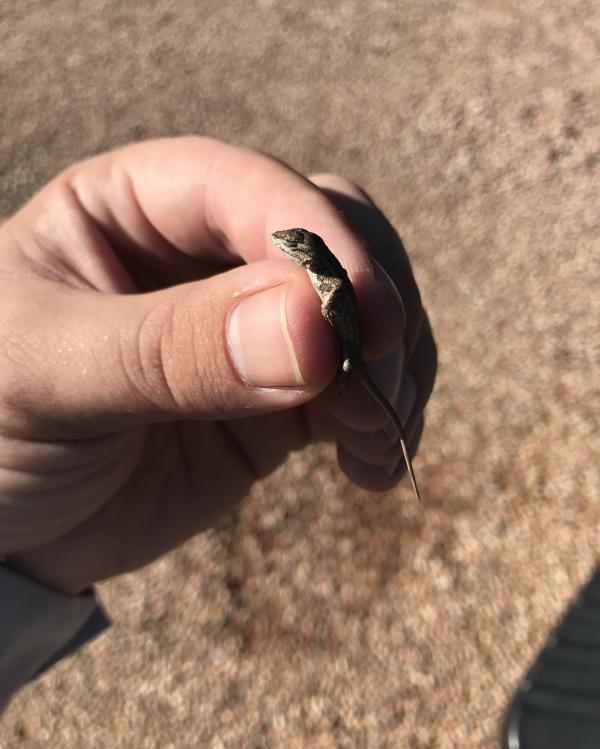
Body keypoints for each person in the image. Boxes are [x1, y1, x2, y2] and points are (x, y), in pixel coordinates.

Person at [0, 137, 437, 714]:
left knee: (352, 364)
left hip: (345, 352)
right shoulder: (312, 262)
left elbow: (333, 286)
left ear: (305, 250)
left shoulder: (321, 266)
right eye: (290, 242)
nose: (285, 244)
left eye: (293, 243)